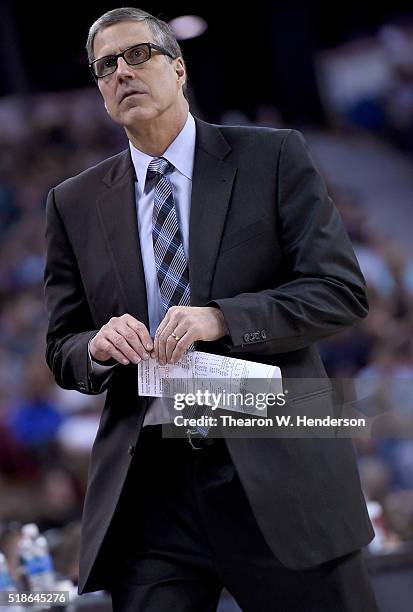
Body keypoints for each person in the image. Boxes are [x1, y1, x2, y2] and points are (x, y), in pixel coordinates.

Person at [43, 7, 379, 611]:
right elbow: (62, 346)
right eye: (106, 66)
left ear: (179, 68)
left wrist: (222, 317)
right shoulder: (72, 202)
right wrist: (94, 346)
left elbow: (339, 292)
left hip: (276, 452)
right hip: (151, 488)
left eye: (138, 55)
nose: (122, 72)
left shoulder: (272, 156)